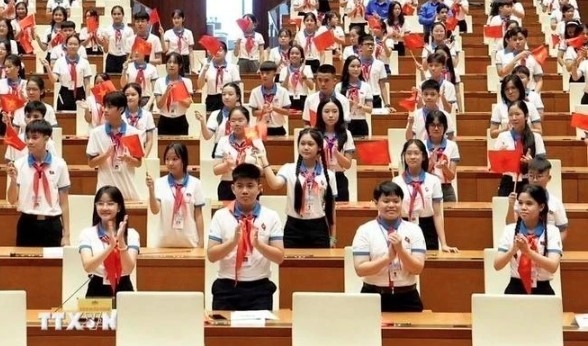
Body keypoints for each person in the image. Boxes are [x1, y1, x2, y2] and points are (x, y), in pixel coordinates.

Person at [207, 163, 284, 311]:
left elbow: (279, 257)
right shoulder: (220, 215)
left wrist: (258, 245)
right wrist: (233, 242)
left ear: (259, 189)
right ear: (232, 188)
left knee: (257, 334)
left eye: (250, 186)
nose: (244, 191)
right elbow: (211, 255)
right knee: (223, 334)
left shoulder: (271, 216)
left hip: (259, 289)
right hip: (226, 288)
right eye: (240, 186)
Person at [352, 181, 426, 312]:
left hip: (407, 297)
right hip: (373, 295)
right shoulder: (364, 230)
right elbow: (360, 270)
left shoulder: (414, 230)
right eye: (386, 201)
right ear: (376, 203)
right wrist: (388, 258)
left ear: (401, 202)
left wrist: (401, 250)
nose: (391, 205)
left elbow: (417, 269)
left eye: (396, 201)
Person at [259, 128, 338, 248]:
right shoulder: (288, 168)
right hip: (293, 227)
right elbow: (275, 184)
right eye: (302, 143)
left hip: (318, 227)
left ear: (319, 147)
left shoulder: (329, 175)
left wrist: (333, 236)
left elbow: (331, 209)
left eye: (310, 144)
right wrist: (264, 160)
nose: (306, 147)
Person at [7, 119, 70, 247]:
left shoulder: (60, 165)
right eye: (28, 137)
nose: (30, 142)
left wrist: (67, 235)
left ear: (46, 139)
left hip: (52, 224)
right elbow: (12, 200)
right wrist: (13, 180)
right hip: (27, 223)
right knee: (26, 265)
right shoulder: (19, 164)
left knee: (52, 266)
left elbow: (64, 203)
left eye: (35, 138)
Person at [494, 184, 562, 295]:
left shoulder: (552, 231)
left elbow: (553, 266)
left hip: (542, 289)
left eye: (529, 203)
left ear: (541, 207)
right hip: (515, 288)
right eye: (520, 203)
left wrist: (528, 252)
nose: (523, 207)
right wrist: (513, 250)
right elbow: (497, 265)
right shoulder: (509, 230)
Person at [392, 139, 458, 252]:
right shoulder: (396, 181)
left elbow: (437, 214)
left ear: (423, 156)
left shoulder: (434, 181)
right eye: (409, 153)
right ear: (404, 156)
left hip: (427, 228)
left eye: (416, 153)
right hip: (403, 226)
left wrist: (444, 244)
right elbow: (394, 213)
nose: (412, 157)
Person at [79, 185, 139, 298]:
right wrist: (110, 247)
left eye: (110, 204)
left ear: (119, 207)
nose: (105, 207)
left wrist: (121, 241)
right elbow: (88, 267)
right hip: (97, 289)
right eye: (100, 203)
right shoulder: (87, 233)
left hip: (124, 288)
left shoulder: (132, 234)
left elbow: (128, 269)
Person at [86, 91, 143, 201]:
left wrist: (128, 159)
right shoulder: (96, 133)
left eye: (110, 107)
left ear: (121, 109)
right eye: (104, 106)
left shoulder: (134, 133)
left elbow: (138, 163)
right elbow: (91, 163)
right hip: (105, 192)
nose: (105, 110)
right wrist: (106, 155)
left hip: (127, 191)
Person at [147, 143, 205, 248]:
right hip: (164, 242)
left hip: (190, 242)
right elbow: (155, 210)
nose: (170, 163)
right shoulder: (160, 182)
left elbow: (198, 215)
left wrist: (201, 242)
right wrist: (151, 191)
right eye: (167, 159)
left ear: (184, 160)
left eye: (175, 159)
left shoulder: (196, 183)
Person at [506, 157, 568, 241]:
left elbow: (563, 229)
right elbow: (510, 225)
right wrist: (511, 206)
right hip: (522, 244)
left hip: (546, 248)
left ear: (549, 178)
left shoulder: (555, 203)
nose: (534, 180)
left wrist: (553, 247)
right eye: (531, 176)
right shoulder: (520, 201)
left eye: (539, 176)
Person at [213, 106, 265, 201]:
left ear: (248, 122)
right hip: (228, 186)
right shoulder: (223, 141)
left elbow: (262, 171)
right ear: (229, 123)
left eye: (240, 120)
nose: (236, 124)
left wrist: (246, 166)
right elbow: (216, 170)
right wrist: (226, 165)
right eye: (233, 120)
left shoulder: (256, 141)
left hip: (251, 185)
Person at [495, 100, 546, 196]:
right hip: (507, 183)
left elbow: (544, 165)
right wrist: (500, 157)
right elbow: (494, 167)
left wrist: (532, 163)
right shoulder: (502, 137)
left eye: (517, 114)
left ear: (526, 116)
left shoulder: (536, 137)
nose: (514, 118)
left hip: (529, 183)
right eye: (510, 115)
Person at [315, 97, 355, 201]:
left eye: (334, 111)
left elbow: (347, 164)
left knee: (341, 214)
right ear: (320, 113)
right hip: (319, 178)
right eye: (326, 111)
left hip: (339, 179)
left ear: (340, 113)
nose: (331, 115)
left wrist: (336, 153)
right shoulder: (314, 134)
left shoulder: (346, 134)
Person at [42, 35, 92, 111]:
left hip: (80, 92)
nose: (73, 46)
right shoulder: (59, 61)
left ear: (79, 46)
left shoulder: (84, 62)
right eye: (70, 44)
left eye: (75, 44)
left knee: (79, 118)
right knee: (64, 118)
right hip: (64, 93)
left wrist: (88, 99)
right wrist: (48, 68)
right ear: (66, 45)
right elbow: (54, 80)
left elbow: (87, 83)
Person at [490, 74, 542, 138]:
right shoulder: (499, 107)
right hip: (506, 145)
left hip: (527, 143)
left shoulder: (530, 106)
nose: (510, 92)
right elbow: (492, 134)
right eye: (506, 89)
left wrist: (522, 129)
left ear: (519, 88)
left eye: (513, 88)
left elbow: (539, 131)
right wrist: (505, 130)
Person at [198, 82, 242, 158]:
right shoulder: (215, 114)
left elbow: (248, 135)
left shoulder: (243, 114)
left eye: (230, 94)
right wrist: (202, 121)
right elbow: (207, 136)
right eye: (224, 94)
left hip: (238, 149)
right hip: (219, 151)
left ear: (237, 96)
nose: (226, 97)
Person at [153, 52, 194, 135]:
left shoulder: (187, 82)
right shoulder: (159, 82)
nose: (171, 65)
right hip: (164, 121)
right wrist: (167, 92)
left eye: (175, 62)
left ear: (180, 65)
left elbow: (188, 104)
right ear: (166, 65)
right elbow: (159, 105)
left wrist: (176, 93)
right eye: (169, 62)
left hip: (181, 120)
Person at [424, 110, 460, 202]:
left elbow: (451, 176)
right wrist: (431, 163)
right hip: (427, 189)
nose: (436, 128)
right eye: (432, 125)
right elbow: (419, 175)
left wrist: (444, 167)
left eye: (439, 125)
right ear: (427, 127)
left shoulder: (452, 146)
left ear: (445, 127)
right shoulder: (421, 146)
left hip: (446, 190)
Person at [248, 61, 291, 136]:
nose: (264, 76)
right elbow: (253, 113)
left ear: (274, 74)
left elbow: (287, 112)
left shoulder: (283, 91)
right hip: (261, 128)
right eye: (262, 73)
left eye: (267, 73)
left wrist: (273, 108)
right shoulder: (255, 91)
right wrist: (263, 111)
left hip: (278, 128)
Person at [197, 41, 241, 113]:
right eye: (215, 50)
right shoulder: (207, 66)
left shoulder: (232, 67)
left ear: (226, 52)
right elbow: (199, 85)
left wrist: (238, 102)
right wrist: (204, 70)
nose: (217, 52)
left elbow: (237, 87)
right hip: (212, 99)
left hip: (229, 98)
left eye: (220, 50)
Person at [335, 55, 373, 137]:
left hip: (361, 123)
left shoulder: (366, 86)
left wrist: (361, 106)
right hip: (344, 122)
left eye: (358, 66)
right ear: (347, 68)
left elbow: (370, 109)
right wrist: (347, 105)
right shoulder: (339, 86)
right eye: (352, 66)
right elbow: (335, 108)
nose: (356, 69)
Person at [122, 83, 156, 157]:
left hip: (141, 153)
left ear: (140, 97)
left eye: (133, 94)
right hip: (123, 153)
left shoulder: (147, 115)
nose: (130, 97)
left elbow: (149, 140)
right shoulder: (120, 114)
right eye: (127, 95)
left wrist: (144, 157)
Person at [278, 44, 315, 112]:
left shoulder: (307, 68)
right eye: (292, 53)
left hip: (303, 98)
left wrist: (304, 75)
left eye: (297, 53)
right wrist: (288, 75)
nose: (294, 55)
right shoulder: (284, 70)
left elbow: (311, 87)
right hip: (288, 98)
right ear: (289, 56)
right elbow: (282, 89)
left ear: (301, 56)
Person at [120, 44, 158, 109]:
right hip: (130, 97)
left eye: (139, 51)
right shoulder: (128, 66)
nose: (136, 53)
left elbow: (155, 89)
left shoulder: (152, 68)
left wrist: (148, 104)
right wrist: (124, 71)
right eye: (134, 51)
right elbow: (123, 85)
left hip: (146, 99)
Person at [357, 34, 390, 108]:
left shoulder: (380, 64)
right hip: (358, 97)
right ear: (360, 46)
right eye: (367, 44)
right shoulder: (355, 63)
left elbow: (382, 86)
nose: (370, 47)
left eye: (372, 44)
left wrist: (387, 104)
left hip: (375, 98)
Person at [102, 6, 134, 73]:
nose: (116, 16)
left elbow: (131, 49)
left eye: (119, 14)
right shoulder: (107, 30)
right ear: (112, 15)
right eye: (114, 14)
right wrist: (105, 43)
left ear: (123, 15)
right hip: (111, 58)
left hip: (124, 58)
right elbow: (105, 50)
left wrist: (128, 60)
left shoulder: (129, 30)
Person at [163, 9, 195, 75]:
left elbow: (191, 52)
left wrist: (193, 68)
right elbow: (165, 50)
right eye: (174, 18)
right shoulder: (168, 33)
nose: (176, 20)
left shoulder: (189, 33)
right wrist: (161, 35)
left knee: (184, 80)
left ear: (183, 19)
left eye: (178, 18)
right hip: (172, 59)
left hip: (185, 59)